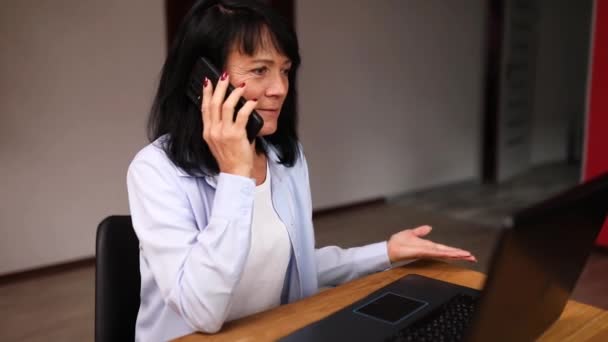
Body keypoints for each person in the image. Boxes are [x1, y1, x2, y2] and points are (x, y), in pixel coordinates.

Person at [126, 0, 477, 340]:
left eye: (285, 70)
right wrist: (235, 175)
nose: (280, 88)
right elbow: (203, 311)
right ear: (204, 79)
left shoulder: (284, 158)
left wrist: (385, 252)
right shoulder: (155, 171)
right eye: (260, 70)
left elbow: (291, 267)